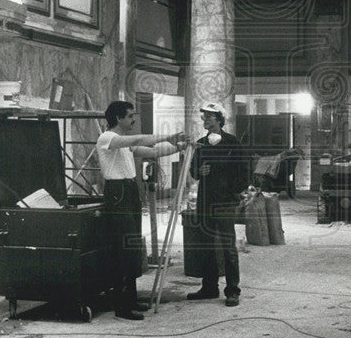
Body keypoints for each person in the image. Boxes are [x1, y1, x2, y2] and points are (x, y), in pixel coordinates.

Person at [96, 101, 184, 320]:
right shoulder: (108, 139)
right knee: (121, 249)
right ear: (118, 118)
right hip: (117, 194)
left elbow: (152, 151)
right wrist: (167, 135)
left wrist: (179, 146)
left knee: (132, 246)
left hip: (129, 190)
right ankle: (121, 307)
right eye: (130, 116)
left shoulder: (124, 144)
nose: (133, 120)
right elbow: (137, 139)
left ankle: (131, 299)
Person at [188, 102, 250, 307]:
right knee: (206, 246)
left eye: (209, 117)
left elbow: (244, 171)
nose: (205, 120)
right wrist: (199, 172)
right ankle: (209, 288)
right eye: (204, 117)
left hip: (224, 203)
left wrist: (233, 192)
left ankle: (232, 291)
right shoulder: (200, 144)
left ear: (219, 120)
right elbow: (193, 170)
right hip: (205, 201)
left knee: (227, 247)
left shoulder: (233, 143)